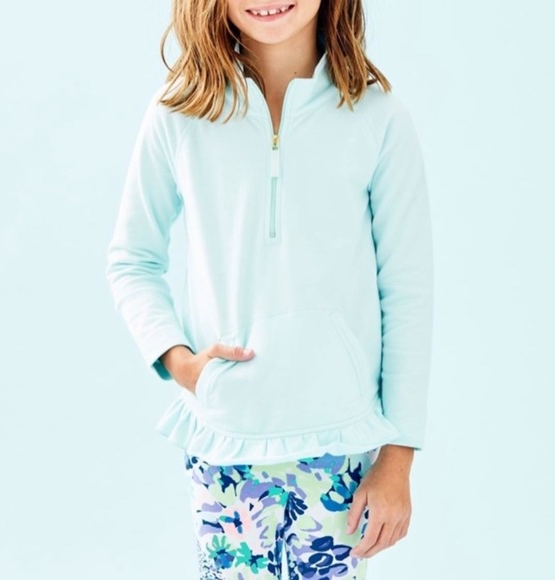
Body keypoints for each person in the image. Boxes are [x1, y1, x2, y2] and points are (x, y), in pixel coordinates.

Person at [105, 0, 434, 577]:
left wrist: (400, 452)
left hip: (339, 440)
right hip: (223, 439)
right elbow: (132, 259)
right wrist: (182, 365)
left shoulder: (377, 116)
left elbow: (407, 289)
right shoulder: (178, 113)